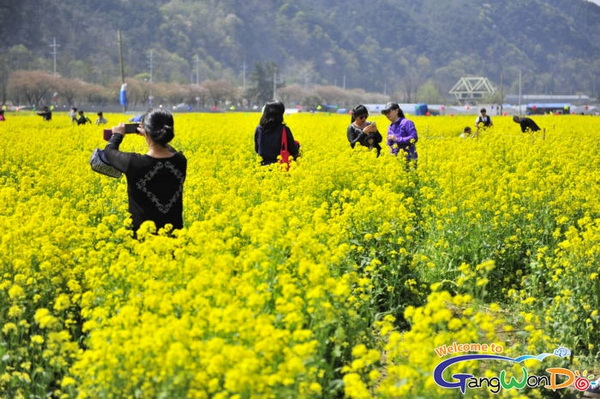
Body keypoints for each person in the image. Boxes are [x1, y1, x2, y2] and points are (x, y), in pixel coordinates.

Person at [103, 108, 187, 233]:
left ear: (147, 132)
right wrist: (151, 135)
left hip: (142, 239)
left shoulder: (134, 163)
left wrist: (116, 135)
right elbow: (169, 150)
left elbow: (109, 152)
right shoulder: (180, 160)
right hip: (174, 236)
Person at [254, 101, 300, 166]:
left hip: (262, 166)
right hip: (280, 166)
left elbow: (257, 149)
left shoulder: (259, 129)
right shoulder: (284, 129)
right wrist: (298, 146)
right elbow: (293, 150)